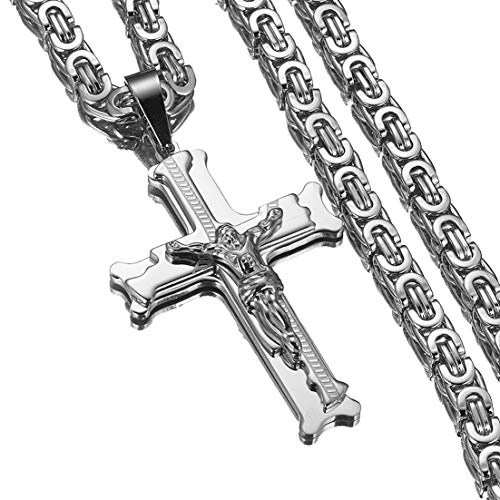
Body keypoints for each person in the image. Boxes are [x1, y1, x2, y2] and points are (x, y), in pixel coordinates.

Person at [167, 208, 301, 369]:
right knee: (261, 310)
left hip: (263, 277)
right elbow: (198, 249)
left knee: (272, 301)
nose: (229, 237)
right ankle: (281, 338)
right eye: (225, 236)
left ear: (236, 233)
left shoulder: (249, 238)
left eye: (230, 232)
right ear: (221, 240)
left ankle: (288, 333)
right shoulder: (220, 251)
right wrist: (180, 248)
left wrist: (273, 217)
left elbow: (264, 226)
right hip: (248, 285)